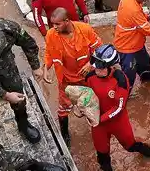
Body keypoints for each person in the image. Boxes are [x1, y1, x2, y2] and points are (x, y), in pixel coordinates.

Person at [84, 44, 150, 171]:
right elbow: (86, 96)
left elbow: (119, 107)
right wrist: (82, 109)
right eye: (96, 66)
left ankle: (149, 153)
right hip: (98, 124)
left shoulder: (121, 80)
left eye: (101, 67)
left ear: (111, 65)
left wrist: (100, 119)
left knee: (130, 146)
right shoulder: (90, 77)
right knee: (102, 153)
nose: (97, 69)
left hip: (117, 122)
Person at [37, 8, 102, 144]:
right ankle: (65, 133)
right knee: (63, 108)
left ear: (67, 21)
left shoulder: (85, 30)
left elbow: (99, 49)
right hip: (66, 81)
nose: (54, 27)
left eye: (57, 24)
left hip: (86, 79)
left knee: (91, 102)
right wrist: (46, 69)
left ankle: (96, 125)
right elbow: (49, 53)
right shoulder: (51, 35)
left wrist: (91, 64)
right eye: (53, 24)